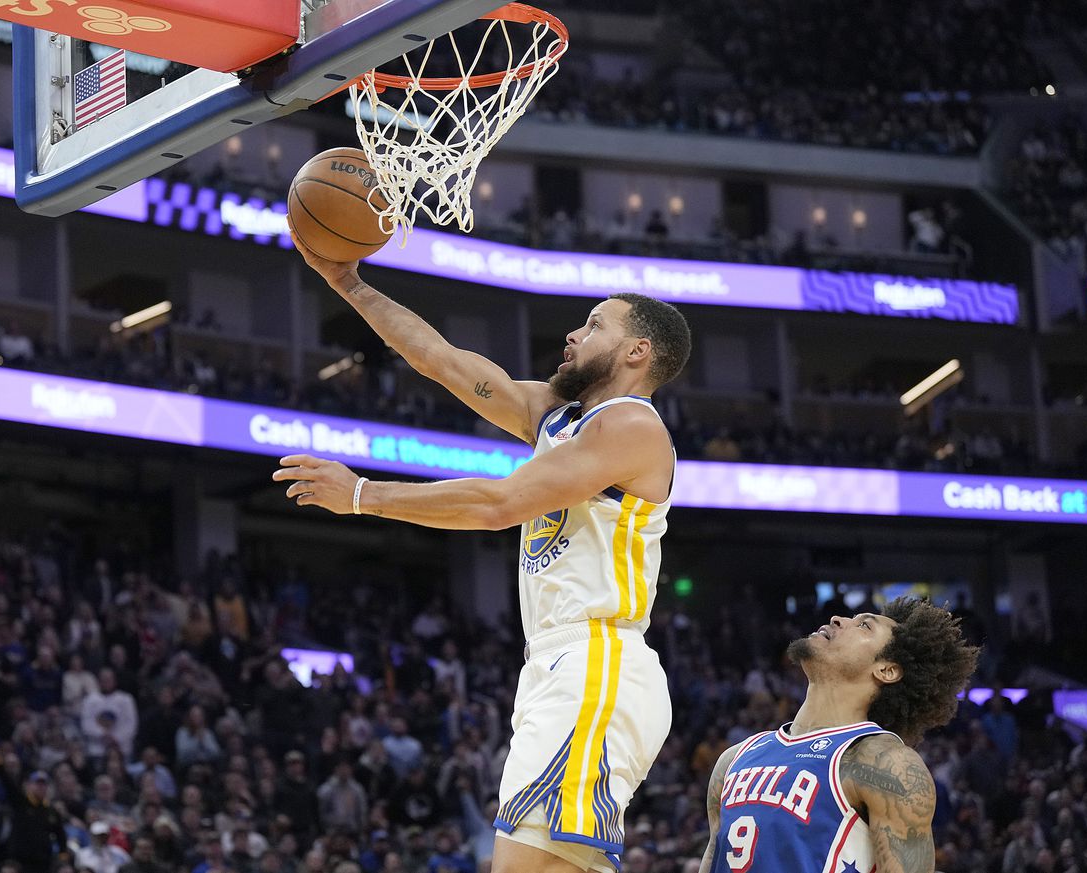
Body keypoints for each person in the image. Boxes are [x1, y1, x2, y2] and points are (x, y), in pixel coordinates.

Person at [278, 243, 693, 873]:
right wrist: (347, 282)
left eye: (595, 325)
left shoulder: (631, 427)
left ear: (638, 352)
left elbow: (501, 503)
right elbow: (440, 360)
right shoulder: (561, 418)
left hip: (596, 659)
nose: (574, 334)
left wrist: (363, 495)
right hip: (559, 663)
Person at [699, 599, 979, 873]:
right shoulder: (734, 758)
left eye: (864, 626)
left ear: (887, 670)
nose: (837, 619)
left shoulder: (886, 762)